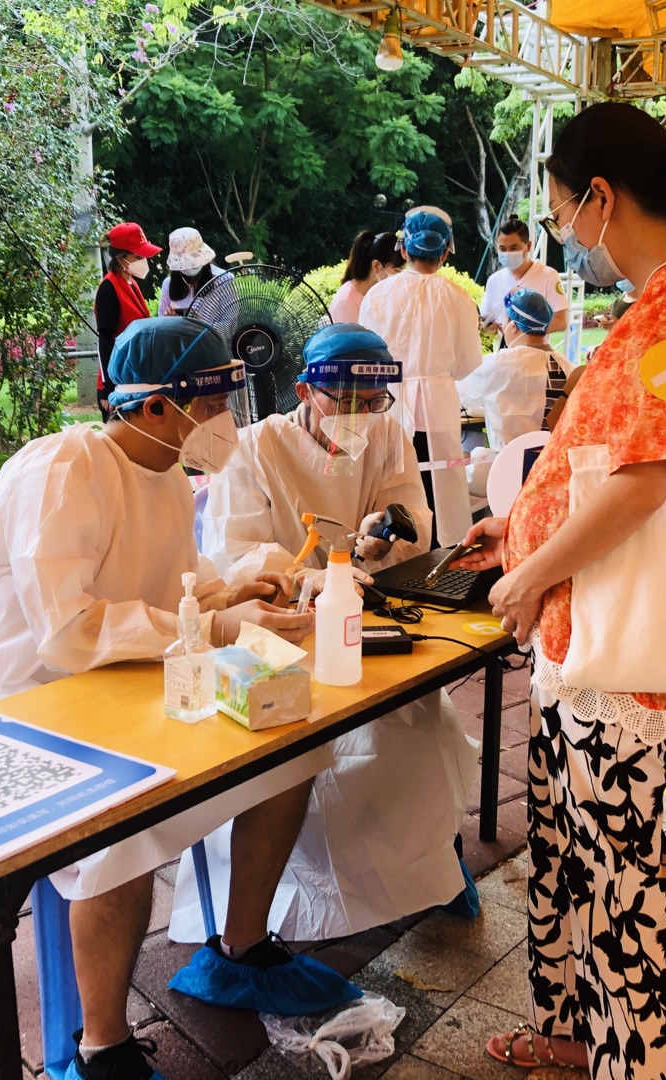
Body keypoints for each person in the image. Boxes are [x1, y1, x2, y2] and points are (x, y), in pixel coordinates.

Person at [0, 317, 358, 1080]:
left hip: (131, 678)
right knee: (124, 820)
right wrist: (216, 622)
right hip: (33, 702)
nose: (223, 422)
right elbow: (67, 633)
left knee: (291, 751)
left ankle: (240, 949)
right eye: (210, 405)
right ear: (154, 406)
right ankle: (101, 1048)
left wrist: (238, 590)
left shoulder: (167, 471)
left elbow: (176, 587)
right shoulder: (65, 470)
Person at [455, 101, 666, 1078]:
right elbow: (605, 468)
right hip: (584, 636)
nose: (561, 235)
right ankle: (577, 1031)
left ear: (599, 198)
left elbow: (647, 479)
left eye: (557, 214)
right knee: (575, 855)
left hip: (609, 648)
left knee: (620, 881)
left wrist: (529, 573)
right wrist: (520, 527)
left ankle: (634, 1061)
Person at [169, 323, 480, 942]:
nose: (361, 416)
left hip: (359, 611)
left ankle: (428, 868)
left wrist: (384, 536)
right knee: (307, 746)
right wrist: (302, 577)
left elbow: (408, 514)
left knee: (419, 725)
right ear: (306, 391)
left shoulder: (385, 432)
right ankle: (299, 903)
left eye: (374, 401)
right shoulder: (256, 448)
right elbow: (237, 554)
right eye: (346, 400)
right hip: (279, 626)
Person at [360, 208, 484, 547]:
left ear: (403, 249)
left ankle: (392, 552)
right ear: (445, 253)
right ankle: (444, 555)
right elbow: (469, 362)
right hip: (438, 403)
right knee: (440, 489)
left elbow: (367, 356)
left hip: (389, 403)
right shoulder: (459, 298)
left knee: (392, 484)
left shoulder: (378, 295)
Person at [459, 289, 561, 450]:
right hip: (553, 456)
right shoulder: (567, 366)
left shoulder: (497, 364)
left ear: (513, 326)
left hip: (507, 459)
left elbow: (461, 393)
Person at [95, 222, 160, 421]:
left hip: (135, 377)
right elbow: (104, 341)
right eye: (137, 257)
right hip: (117, 384)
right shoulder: (109, 288)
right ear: (120, 258)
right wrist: (107, 390)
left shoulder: (131, 283)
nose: (143, 261)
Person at [480, 219, 570, 341]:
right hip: (503, 352)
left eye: (513, 248)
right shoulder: (494, 280)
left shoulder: (548, 276)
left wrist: (524, 332)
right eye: (502, 249)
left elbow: (561, 322)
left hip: (536, 351)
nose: (508, 253)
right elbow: (485, 323)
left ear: (528, 246)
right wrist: (488, 328)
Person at [330, 231, 403, 323]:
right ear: (377, 266)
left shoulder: (378, 293)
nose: (399, 276)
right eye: (396, 271)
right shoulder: (346, 302)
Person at [157, 227, 219, 317]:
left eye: (194, 256)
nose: (192, 263)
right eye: (185, 260)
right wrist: (171, 320)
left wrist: (200, 321)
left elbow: (231, 321)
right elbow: (161, 319)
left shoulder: (223, 279)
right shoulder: (168, 284)